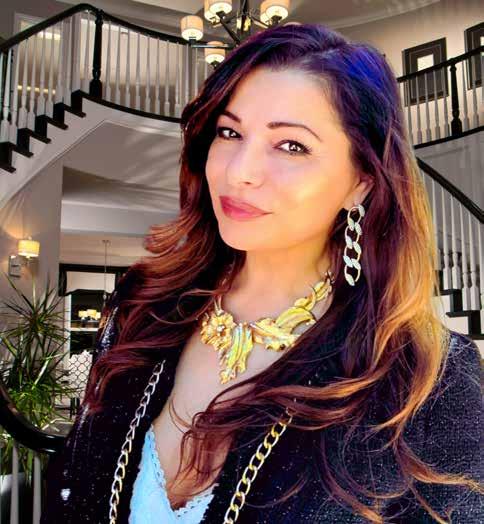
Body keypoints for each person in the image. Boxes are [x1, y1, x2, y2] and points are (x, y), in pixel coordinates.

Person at [41, 23, 483, 524]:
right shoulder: (144, 307)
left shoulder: (428, 378)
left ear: (361, 181)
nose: (239, 172)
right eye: (229, 133)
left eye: (291, 146)